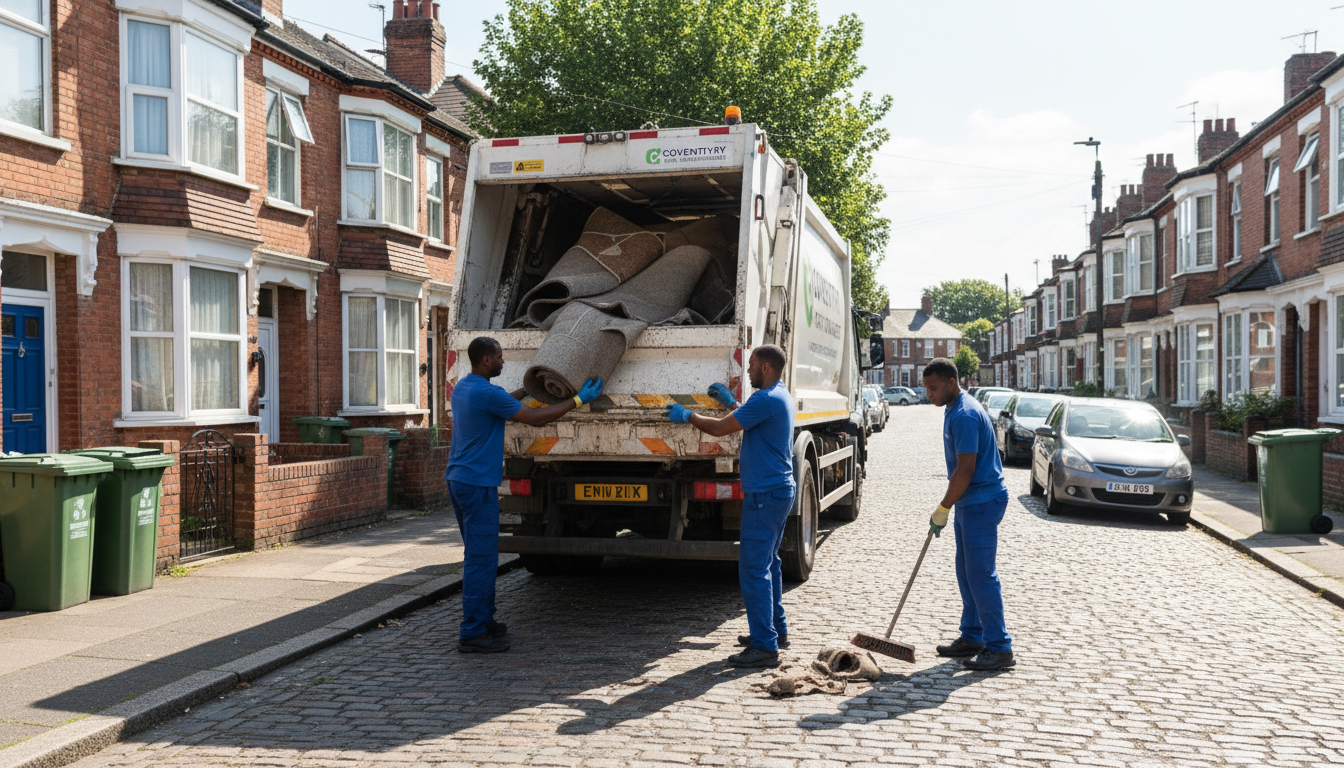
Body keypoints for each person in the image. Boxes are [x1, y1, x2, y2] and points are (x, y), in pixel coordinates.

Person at [446, 336, 604, 653]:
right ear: (486, 360)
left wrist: (531, 392)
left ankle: (484, 621)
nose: (504, 362)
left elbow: (506, 402)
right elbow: (531, 418)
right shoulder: (486, 393)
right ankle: (473, 633)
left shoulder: (466, 387)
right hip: (477, 485)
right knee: (481, 560)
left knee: (480, 558)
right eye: (500, 357)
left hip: (459, 480)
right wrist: (577, 401)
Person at [667, 345, 795, 668]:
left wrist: (688, 415)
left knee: (752, 569)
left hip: (765, 494)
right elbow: (750, 416)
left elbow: (720, 428)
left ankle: (765, 646)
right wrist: (732, 404)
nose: (747, 371)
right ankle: (775, 631)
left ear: (765, 367)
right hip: (778, 491)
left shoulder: (765, 399)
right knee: (769, 563)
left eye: (751, 366)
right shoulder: (780, 395)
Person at [923, 357, 1015, 670]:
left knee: (980, 573)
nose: (929, 394)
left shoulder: (964, 414)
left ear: (952, 382)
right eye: (926, 389)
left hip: (981, 501)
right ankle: (973, 635)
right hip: (969, 501)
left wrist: (943, 507)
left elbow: (965, 470)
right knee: (966, 571)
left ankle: (999, 647)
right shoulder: (954, 408)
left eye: (934, 388)